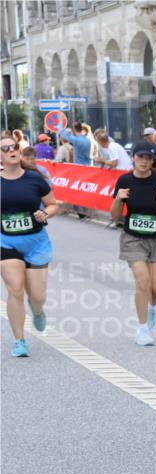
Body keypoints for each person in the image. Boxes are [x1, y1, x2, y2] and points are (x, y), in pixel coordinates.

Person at [110, 140, 156, 346]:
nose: (144, 161)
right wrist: (118, 199)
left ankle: (151, 307)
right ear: (133, 158)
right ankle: (142, 329)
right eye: (141, 157)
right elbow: (115, 216)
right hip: (133, 239)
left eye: (148, 158)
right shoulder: (124, 180)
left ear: (152, 160)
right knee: (142, 282)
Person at [1, 136, 60, 357]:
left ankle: (37, 310)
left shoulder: (35, 179)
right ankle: (20, 341)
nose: (11, 150)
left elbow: (53, 204)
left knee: (37, 296)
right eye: (5, 148)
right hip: (6, 241)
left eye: (14, 146)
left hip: (36, 243)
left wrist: (45, 213)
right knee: (15, 288)